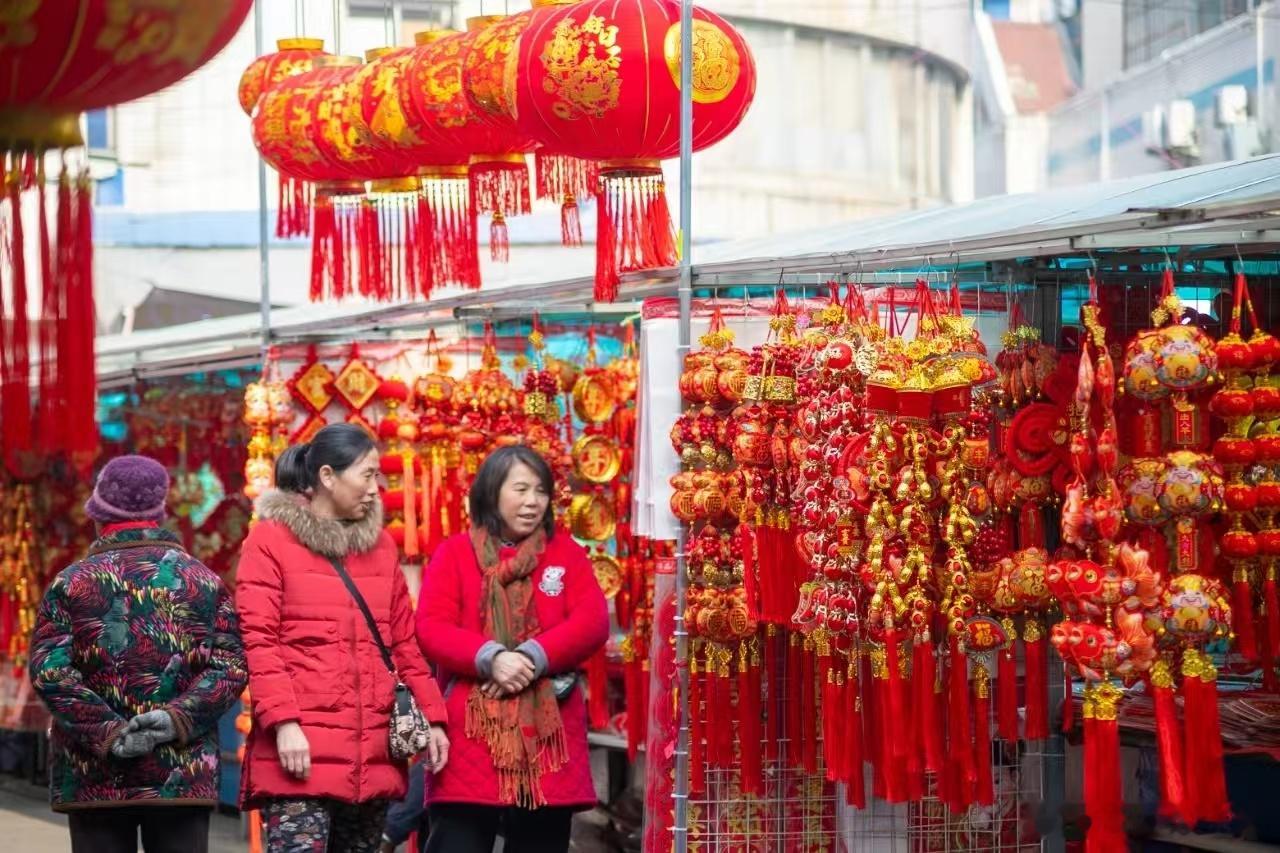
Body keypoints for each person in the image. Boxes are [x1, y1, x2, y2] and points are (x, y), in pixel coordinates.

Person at [236, 423, 451, 853]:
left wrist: (434, 718)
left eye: (378, 476)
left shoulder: (381, 547)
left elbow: (403, 644)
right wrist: (285, 723)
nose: (377, 487)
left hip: (371, 751)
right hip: (297, 752)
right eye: (367, 474)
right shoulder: (270, 539)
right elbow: (259, 640)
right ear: (328, 477)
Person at [29, 454, 247, 853]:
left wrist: (109, 732)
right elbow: (231, 667)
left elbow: (51, 672)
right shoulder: (204, 582)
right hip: (182, 772)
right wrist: (175, 719)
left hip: (95, 776)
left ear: (99, 515)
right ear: (158, 513)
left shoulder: (71, 583)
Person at [417, 445, 610, 853]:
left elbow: (592, 622)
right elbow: (431, 627)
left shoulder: (567, 554)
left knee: (539, 843)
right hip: (471, 732)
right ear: (491, 493)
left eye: (540, 491)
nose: (532, 501)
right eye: (520, 489)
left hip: (546, 736)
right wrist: (492, 658)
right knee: (458, 841)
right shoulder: (454, 554)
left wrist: (529, 657)